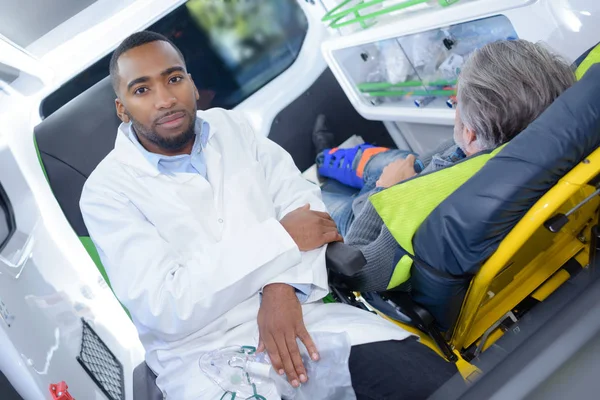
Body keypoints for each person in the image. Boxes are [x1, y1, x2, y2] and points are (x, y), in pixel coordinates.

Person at [80, 31, 457, 399]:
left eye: (174, 79)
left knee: (432, 384)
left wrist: (281, 290)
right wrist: (282, 238)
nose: (164, 99)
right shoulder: (106, 193)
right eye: (142, 90)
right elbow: (167, 303)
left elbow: (305, 210)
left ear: (192, 85)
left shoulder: (232, 127)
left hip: (302, 313)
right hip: (205, 357)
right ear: (122, 109)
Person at [315, 40, 575, 291]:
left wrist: (386, 190)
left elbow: (361, 271)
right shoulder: (550, 146)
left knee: (321, 199)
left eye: (456, 105)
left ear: (471, 135)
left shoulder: (427, 208)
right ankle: (326, 157)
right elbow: (445, 154)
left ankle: (321, 169)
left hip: (376, 217)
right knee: (389, 160)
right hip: (410, 182)